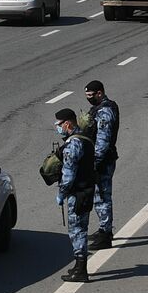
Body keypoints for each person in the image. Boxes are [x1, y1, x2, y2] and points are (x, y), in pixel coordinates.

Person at [54, 108, 95, 283]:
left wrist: (61, 193)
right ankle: (79, 266)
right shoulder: (86, 139)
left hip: (77, 194)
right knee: (82, 229)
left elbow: (68, 174)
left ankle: (81, 269)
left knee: (76, 231)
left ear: (67, 123)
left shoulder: (72, 145)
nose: (57, 128)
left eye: (59, 124)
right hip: (87, 191)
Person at [82, 80, 120, 250]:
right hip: (100, 160)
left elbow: (103, 141)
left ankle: (106, 235)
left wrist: (94, 163)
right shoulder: (100, 108)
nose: (89, 99)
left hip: (103, 162)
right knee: (99, 197)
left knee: (102, 198)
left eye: (91, 95)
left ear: (100, 93)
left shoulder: (105, 111)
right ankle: (103, 229)